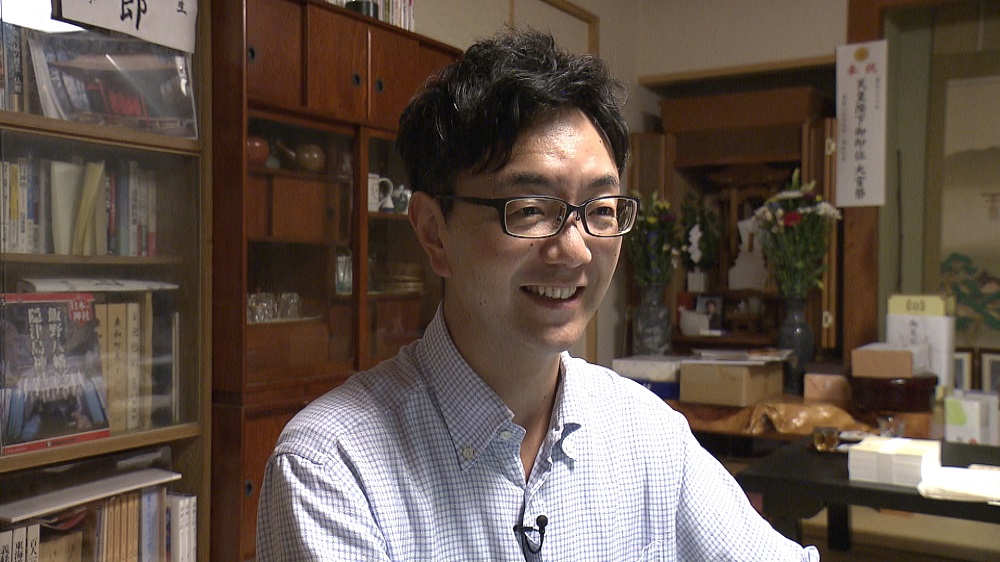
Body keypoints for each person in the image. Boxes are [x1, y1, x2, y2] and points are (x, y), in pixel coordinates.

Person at [256, 28, 819, 561]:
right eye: (528, 209)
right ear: (433, 233)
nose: (574, 250)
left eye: (601, 209)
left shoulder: (646, 434)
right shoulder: (333, 469)